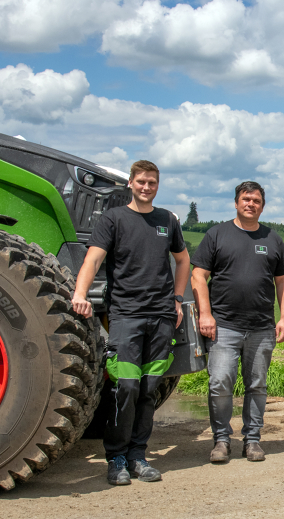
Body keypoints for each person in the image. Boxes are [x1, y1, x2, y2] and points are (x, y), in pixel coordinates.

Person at [71, 160, 189, 486]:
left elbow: (183, 260)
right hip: (126, 314)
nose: (146, 187)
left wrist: (177, 299)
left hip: (162, 316)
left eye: (152, 182)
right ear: (131, 183)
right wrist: (80, 292)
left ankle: (138, 455)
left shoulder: (167, 220)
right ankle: (117, 457)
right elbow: (93, 258)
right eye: (141, 181)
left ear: (157, 185)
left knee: (149, 389)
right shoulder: (113, 219)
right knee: (126, 387)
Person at [191, 181, 284, 464]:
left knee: (257, 385)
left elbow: (283, 280)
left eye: (256, 200)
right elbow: (198, 275)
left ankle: (252, 440)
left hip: (261, 326)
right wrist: (205, 313)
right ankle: (222, 439)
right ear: (236, 203)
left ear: (263, 205)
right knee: (221, 382)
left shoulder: (272, 239)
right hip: (224, 325)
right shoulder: (217, 234)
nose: (251, 204)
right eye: (246, 199)